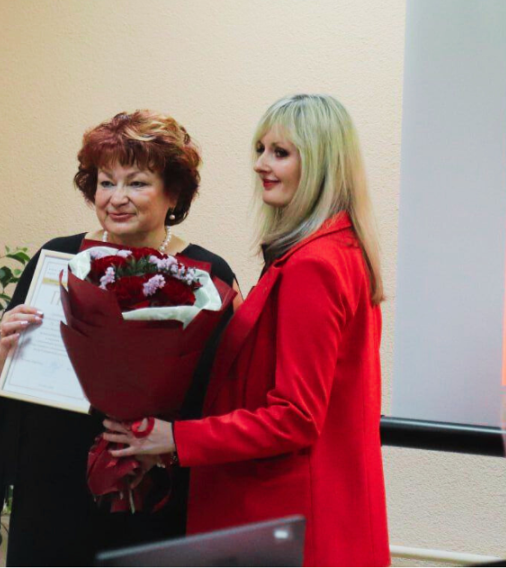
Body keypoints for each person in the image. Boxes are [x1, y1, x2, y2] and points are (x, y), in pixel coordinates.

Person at [103, 94, 390, 567]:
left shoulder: (314, 265)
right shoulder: (339, 249)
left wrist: (177, 439)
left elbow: (295, 417)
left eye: (280, 152)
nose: (261, 164)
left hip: (289, 520)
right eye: (260, 149)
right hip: (320, 513)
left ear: (320, 163)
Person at [0, 110, 240, 566]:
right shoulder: (57, 257)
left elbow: (225, 393)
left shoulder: (206, 274)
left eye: (136, 183)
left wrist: (169, 442)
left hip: (155, 488)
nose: (117, 198)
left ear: (173, 192)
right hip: (54, 488)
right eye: (105, 182)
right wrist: (4, 347)